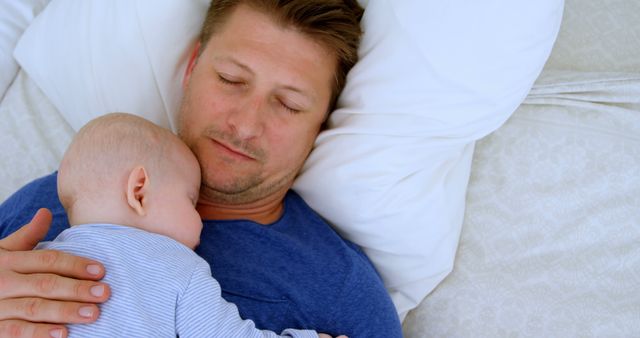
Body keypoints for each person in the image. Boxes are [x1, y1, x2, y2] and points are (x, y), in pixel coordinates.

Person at [0, 1, 403, 338]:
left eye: (289, 105)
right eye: (231, 80)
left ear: (321, 123)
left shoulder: (342, 291)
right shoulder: (50, 202)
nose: (245, 125)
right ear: (192, 67)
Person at [34, 112, 342, 338]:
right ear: (139, 190)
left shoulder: (33, 262)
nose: (200, 220)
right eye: (191, 201)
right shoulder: (176, 268)